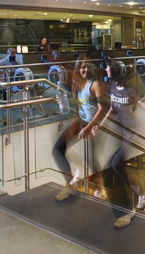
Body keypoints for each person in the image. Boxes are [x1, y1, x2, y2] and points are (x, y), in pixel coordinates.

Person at [92, 59, 145, 228]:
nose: (106, 70)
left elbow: (141, 104)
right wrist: (100, 125)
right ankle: (139, 193)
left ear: (114, 70)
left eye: (108, 68)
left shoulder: (129, 90)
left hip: (133, 131)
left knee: (115, 164)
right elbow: (111, 109)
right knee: (116, 165)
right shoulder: (114, 87)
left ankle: (135, 201)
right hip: (124, 131)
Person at [53, 56, 109, 201]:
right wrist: (62, 102)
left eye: (87, 66)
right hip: (82, 121)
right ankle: (71, 185)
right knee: (58, 148)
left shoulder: (95, 84)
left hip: (95, 124)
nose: (84, 69)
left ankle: (101, 190)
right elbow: (78, 105)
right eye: (82, 67)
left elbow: (101, 109)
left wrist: (88, 128)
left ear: (92, 68)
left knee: (91, 159)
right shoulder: (78, 85)